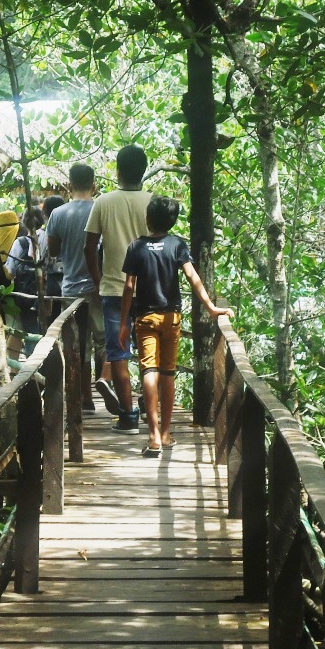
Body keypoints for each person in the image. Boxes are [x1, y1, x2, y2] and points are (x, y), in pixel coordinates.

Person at [119, 195, 233, 455]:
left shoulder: (136, 247)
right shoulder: (177, 245)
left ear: (148, 218)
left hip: (145, 318)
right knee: (168, 373)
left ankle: (153, 435)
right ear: (172, 221)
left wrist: (124, 323)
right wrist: (212, 308)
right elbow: (193, 278)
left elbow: (128, 287)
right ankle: (167, 433)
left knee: (149, 371)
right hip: (171, 318)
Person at [85, 145, 152, 434]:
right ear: (144, 170)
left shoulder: (103, 202)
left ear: (118, 170)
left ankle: (128, 417)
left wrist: (99, 278)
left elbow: (89, 247)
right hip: (150, 290)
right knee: (151, 354)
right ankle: (151, 411)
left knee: (118, 353)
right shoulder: (154, 202)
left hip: (113, 289)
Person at [47, 164, 108, 412]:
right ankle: (105, 385)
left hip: (71, 286)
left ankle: (85, 398)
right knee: (104, 339)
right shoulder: (102, 210)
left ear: (69, 185)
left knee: (78, 344)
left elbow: (52, 251)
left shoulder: (59, 214)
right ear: (94, 185)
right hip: (100, 285)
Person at [5, 208, 43, 358]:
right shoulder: (48, 238)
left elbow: (10, 273)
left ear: (24, 222)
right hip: (49, 293)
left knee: (29, 332)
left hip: (26, 296)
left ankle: (32, 373)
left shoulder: (19, 243)